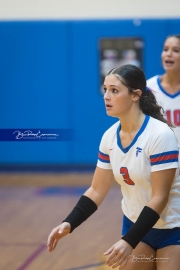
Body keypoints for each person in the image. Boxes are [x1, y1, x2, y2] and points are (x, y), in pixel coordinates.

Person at [47, 64, 180, 270]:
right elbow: (97, 190)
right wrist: (69, 222)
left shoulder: (159, 135)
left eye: (114, 90)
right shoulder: (109, 137)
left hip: (173, 228)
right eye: (105, 89)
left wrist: (128, 241)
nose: (106, 96)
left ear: (135, 95)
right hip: (137, 225)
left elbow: (159, 197)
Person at [147, 34, 180, 167]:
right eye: (166, 49)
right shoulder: (149, 88)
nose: (169, 54)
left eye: (176, 50)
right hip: (160, 163)